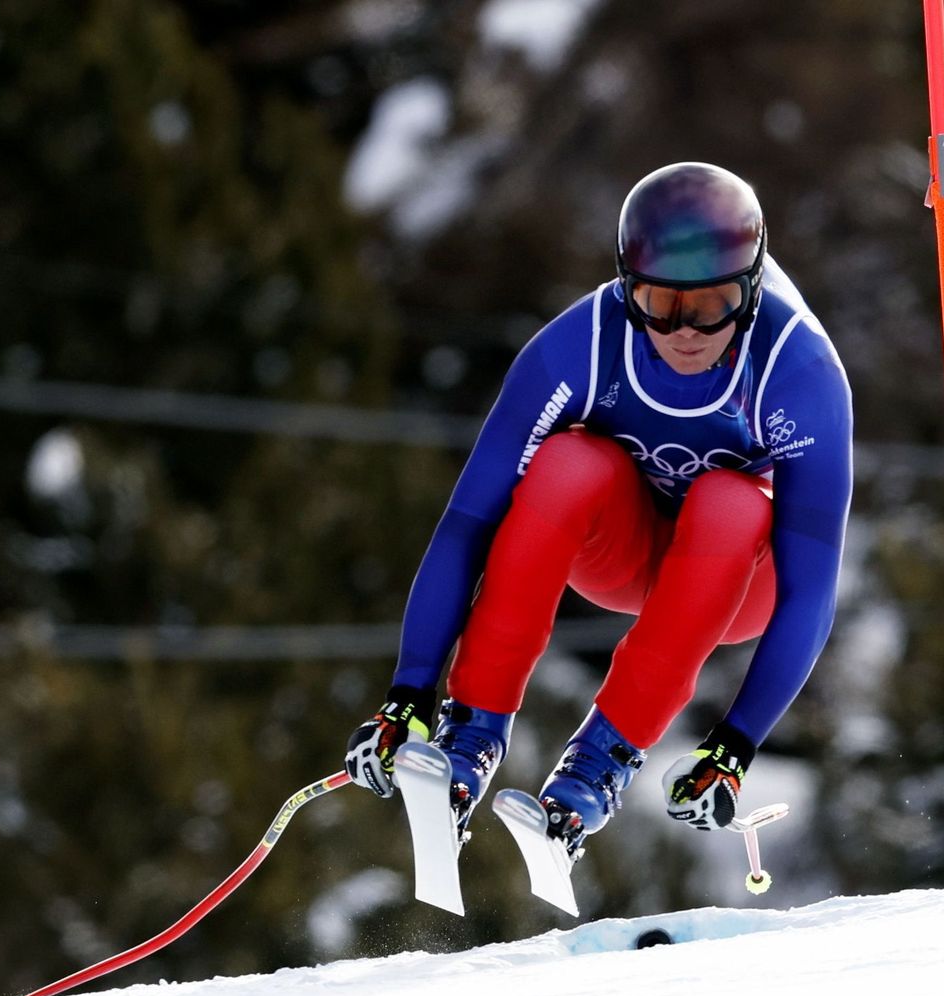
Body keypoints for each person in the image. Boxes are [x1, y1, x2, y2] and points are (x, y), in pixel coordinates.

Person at [344, 161, 853, 857]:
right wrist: (410, 692)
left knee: (731, 501)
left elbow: (811, 590)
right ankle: (473, 734)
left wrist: (733, 746)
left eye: (710, 306)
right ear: (624, 285)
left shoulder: (801, 373)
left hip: (736, 586)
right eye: (657, 302)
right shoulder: (579, 345)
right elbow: (468, 522)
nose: (683, 331)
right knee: (565, 463)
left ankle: (601, 760)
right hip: (621, 554)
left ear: (753, 288)